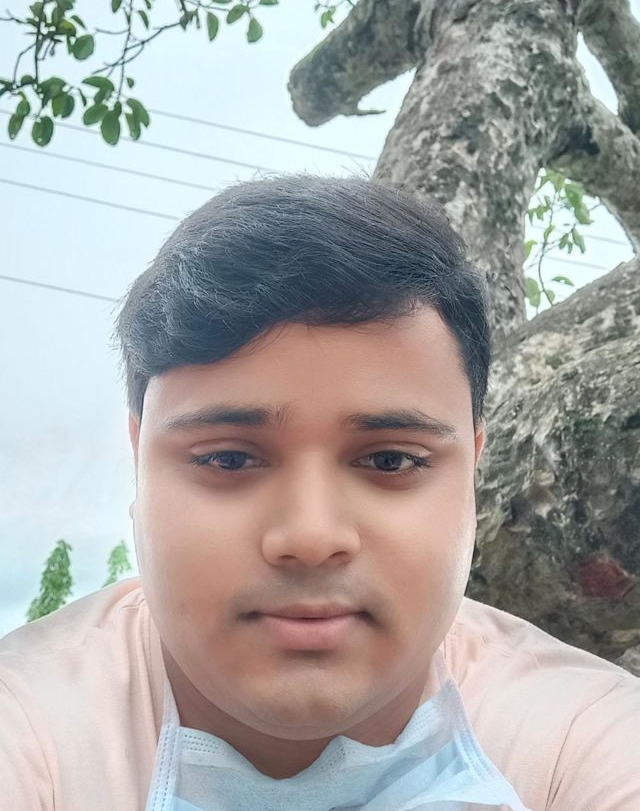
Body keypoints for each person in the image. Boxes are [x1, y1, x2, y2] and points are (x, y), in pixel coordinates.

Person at [1, 175, 638, 811]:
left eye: (390, 459)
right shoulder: (30, 726)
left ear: (472, 468)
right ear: (139, 459)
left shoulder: (582, 740)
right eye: (228, 458)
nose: (310, 537)